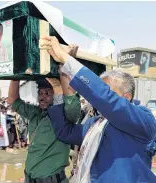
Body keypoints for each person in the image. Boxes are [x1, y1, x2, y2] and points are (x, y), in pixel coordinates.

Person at [42, 36, 156, 183]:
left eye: (107, 90)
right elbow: (65, 132)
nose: (97, 98)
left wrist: (66, 59)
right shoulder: (96, 124)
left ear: (126, 97)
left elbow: (107, 100)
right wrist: (58, 91)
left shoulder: (143, 119)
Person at [8, 75, 81, 183]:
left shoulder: (65, 116)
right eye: (40, 93)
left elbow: (72, 105)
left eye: (47, 93)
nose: (42, 97)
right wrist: (16, 75)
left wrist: (60, 81)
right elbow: (13, 100)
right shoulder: (35, 113)